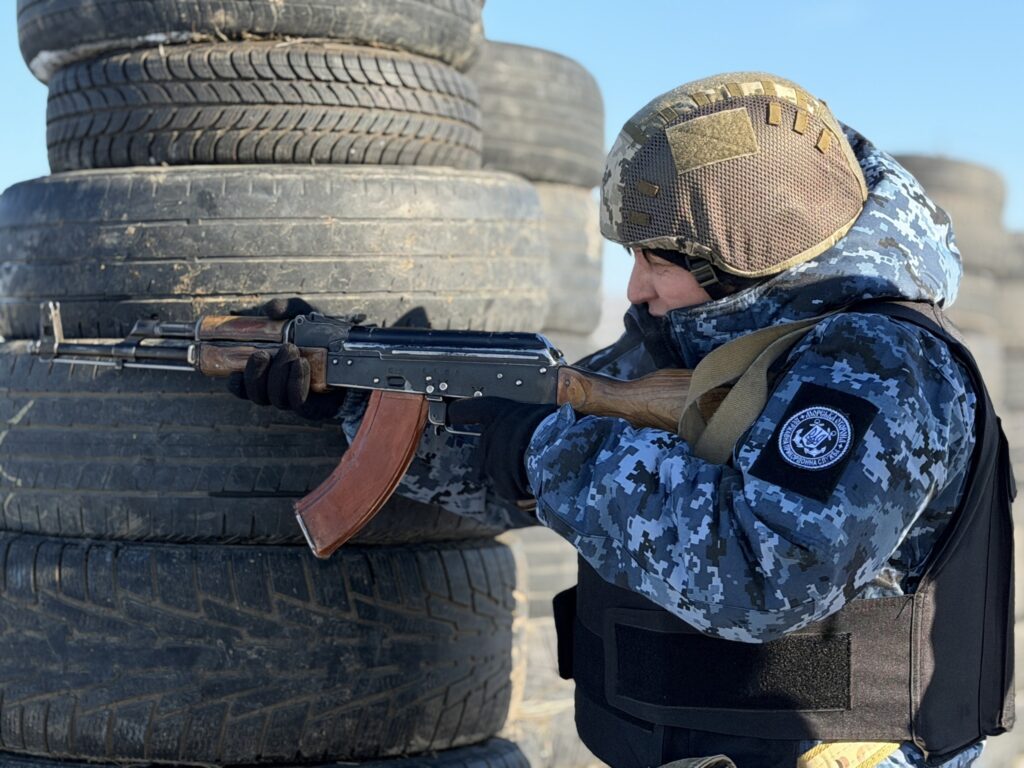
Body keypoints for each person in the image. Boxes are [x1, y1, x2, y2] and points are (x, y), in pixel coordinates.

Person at [231, 73, 1014, 768]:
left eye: (657, 258)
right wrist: (361, 395)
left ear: (741, 258)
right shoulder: (702, 342)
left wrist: (541, 449)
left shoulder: (880, 365)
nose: (635, 288)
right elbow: (519, 464)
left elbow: (760, 574)